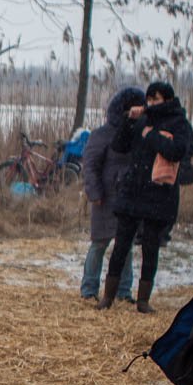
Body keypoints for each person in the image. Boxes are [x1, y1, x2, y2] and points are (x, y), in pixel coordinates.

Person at [98, 81, 193, 313]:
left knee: (151, 248)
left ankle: (143, 300)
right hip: (133, 190)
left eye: (156, 99)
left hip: (159, 194)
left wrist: (151, 135)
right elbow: (119, 146)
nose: (151, 104)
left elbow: (179, 151)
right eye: (149, 99)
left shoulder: (179, 123)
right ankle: (108, 297)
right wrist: (129, 121)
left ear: (168, 100)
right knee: (121, 245)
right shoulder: (141, 119)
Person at [79, 86, 143, 302]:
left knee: (125, 246)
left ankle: (123, 291)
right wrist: (94, 193)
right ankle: (89, 289)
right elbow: (90, 165)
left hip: (129, 197)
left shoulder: (139, 134)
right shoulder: (102, 134)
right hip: (106, 197)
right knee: (99, 243)